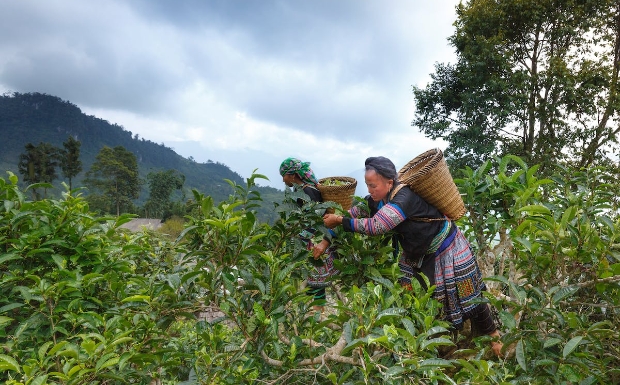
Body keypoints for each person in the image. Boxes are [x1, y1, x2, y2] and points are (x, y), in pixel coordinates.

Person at [322, 156, 503, 357]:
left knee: (469, 292)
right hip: (418, 253)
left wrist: (339, 220)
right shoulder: (375, 201)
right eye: (367, 185)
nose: (370, 190)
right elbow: (351, 214)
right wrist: (327, 235)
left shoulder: (404, 197)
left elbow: (377, 226)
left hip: (448, 246)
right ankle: (429, 345)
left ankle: (494, 338)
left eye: (373, 185)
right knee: (414, 295)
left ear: (389, 182)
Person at [279, 157, 338, 308]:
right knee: (313, 279)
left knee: (315, 279)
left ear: (292, 175)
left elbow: (315, 218)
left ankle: (317, 312)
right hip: (313, 240)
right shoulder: (304, 190)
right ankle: (315, 311)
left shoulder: (308, 192)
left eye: (283, 175)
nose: (283, 179)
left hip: (315, 241)